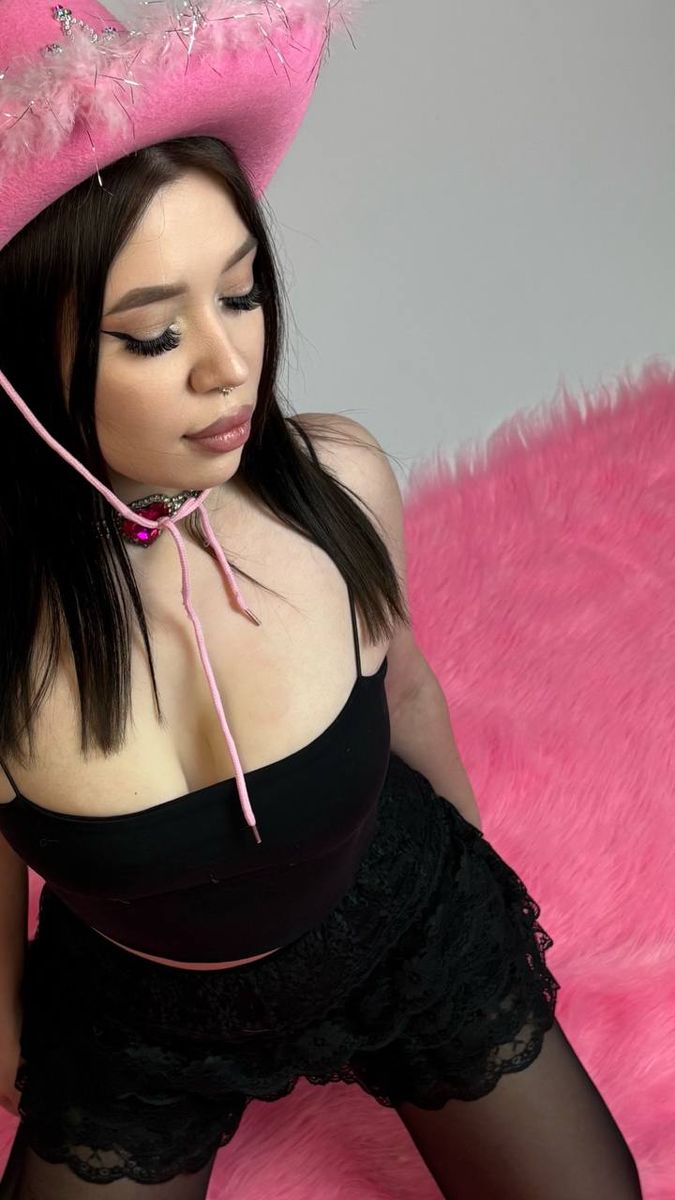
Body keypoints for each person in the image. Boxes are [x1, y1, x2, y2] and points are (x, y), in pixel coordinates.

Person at [0, 2, 644, 1197]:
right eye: (154, 335)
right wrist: (1, 1019)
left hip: (393, 922)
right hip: (138, 1016)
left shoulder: (335, 481)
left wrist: (482, 917)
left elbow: (407, 690)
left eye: (241, 295)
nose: (229, 366)